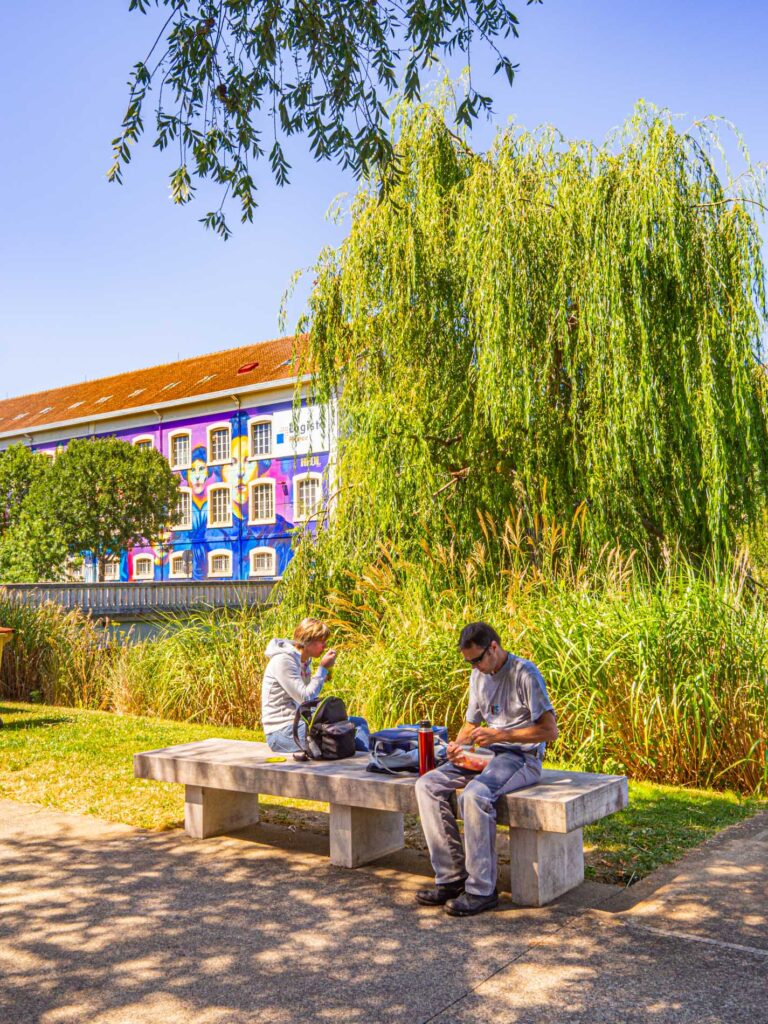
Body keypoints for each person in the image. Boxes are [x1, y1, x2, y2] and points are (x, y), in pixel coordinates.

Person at [414, 621, 558, 917]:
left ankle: (481, 890)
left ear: (494, 647)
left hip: (521, 758)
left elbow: (549, 731)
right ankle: (451, 878)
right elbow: (472, 723)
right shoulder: (477, 676)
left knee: (475, 795)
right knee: (427, 785)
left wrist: (501, 735)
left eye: (478, 659)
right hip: (487, 754)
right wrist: (458, 745)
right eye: (468, 661)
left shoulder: (524, 673)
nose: (475, 666)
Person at [261, 617, 369, 753]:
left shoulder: (305, 661)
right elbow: (305, 698)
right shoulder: (283, 660)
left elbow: (308, 700)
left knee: (357, 724)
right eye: (321, 641)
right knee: (336, 735)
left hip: (300, 724)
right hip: (281, 732)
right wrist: (322, 668)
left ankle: (368, 760)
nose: (324, 646)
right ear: (307, 641)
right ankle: (367, 764)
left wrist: (324, 672)